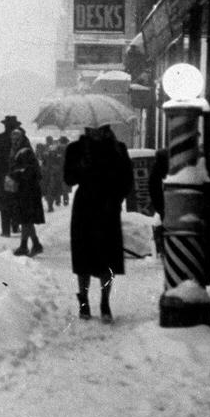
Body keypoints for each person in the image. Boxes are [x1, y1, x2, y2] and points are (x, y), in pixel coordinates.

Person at [65, 124, 133, 323]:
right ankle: (84, 301)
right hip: (84, 207)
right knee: (83, 257)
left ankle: (105, 301)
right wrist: (81, 166)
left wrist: (116, 199)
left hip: (108, 209)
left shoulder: (118, 149)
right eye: (91, 128)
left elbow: (127, 180)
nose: (95, 131)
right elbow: (68, 179)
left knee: (108, 258)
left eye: (99, 128)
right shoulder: (75, 149)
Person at [7, 128, 45, 256]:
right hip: (24, 191)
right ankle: (35, 244)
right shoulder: (19, 151)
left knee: (26, 220)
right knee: (26, 220)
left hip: (28, 191)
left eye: (16, 138)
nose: (14, 141)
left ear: (21, 139)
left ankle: (26, 246)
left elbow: (29, 172)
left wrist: (16, 174)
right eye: (12, 139)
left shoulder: (25, 152)